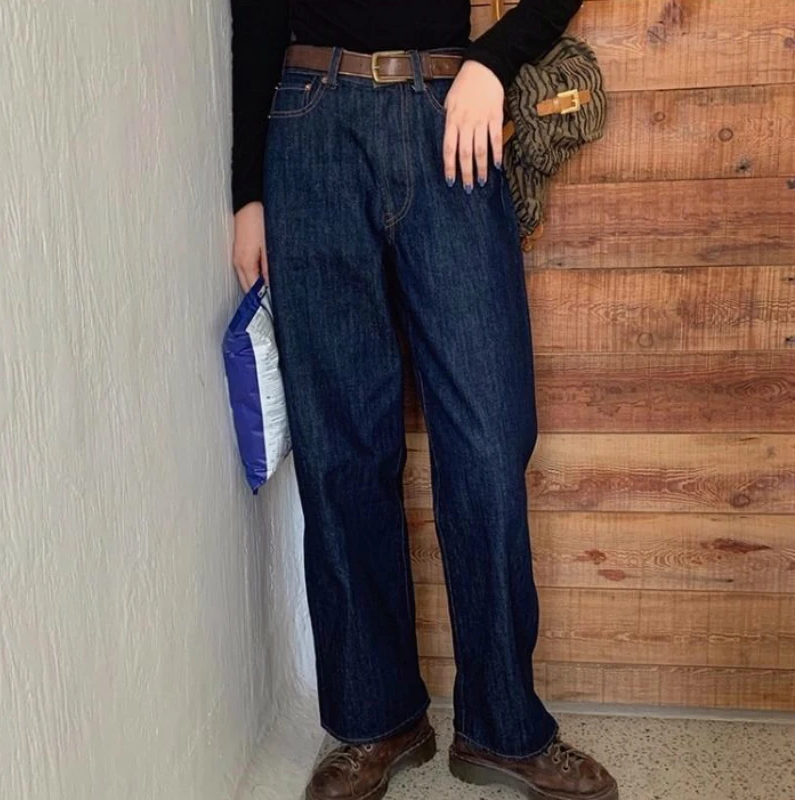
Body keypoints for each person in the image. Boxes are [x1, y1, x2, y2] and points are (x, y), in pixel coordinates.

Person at [229, 1, 618, 798]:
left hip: (449, 114)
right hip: (308, 125)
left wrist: (493, 63)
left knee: (488, 436)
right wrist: (248, 192)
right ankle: (375, 720)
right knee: (340, 448)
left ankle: (503, 726)